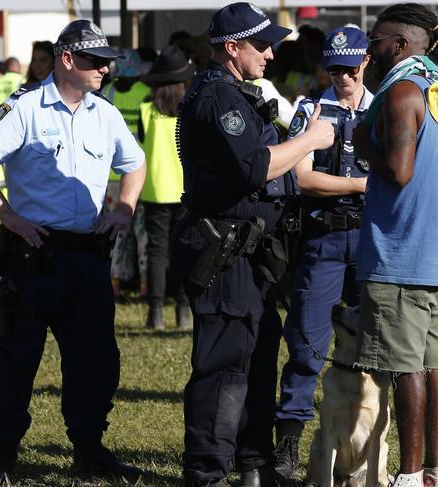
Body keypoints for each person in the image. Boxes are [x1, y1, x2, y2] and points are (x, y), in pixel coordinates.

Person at [173, 3, 334, 486]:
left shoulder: (240, 94)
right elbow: (253, 168)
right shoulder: (217, 98)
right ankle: (207, 472)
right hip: (224, 253)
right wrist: (309, 140)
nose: (270, 53)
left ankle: (254, 464)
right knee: (224, 366)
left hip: (252, 254)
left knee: (259, 358)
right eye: (260, 44)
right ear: (231, 48)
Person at [0, 19, 146, 483]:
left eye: (107, 63)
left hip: (86, 255)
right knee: (18, 356)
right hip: (33, 253)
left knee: (95, 358)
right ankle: (3, 454)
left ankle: (90, 449)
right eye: (96, 62)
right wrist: (7, 214)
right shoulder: (25, 107)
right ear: (68, 59)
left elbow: (135, 162)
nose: (104, 71)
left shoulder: (104, 112)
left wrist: (126, 210)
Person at [352, 4, 438, 487]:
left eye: (375, 40)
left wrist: (364, 144)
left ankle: (408, 475)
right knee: (435, 365)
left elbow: (399, 171)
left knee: (407, 372)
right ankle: (433, 474)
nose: (369, 49)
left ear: (400, 45)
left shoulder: (402, 91)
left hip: (401, 256)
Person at [272, 26, 373, 480]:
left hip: (372, 242)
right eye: (334, 69)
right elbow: (303, 177)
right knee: (307, 346)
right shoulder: (312, 109)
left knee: (377, 343)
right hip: (325, 239)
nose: (342, 77)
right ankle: (289, 444)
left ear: (365, 62)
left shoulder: (384, 107)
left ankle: (372, 440)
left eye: (350, 68)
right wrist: (359, 186)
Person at [138, 45, 194, 330]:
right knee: (184, 252)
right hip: (187, 191)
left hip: (154, 191)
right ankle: (184, 312)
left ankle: (155, 314)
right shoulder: (191, 109)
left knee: (157, 252)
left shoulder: (145, 110)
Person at [101, 49, 152, 301]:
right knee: (142, 231)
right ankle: (144, 285)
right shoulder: (145, 94)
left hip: (110, 174)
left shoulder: (106, 93)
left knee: (115, 231)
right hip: (140, 174)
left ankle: (114, 284)